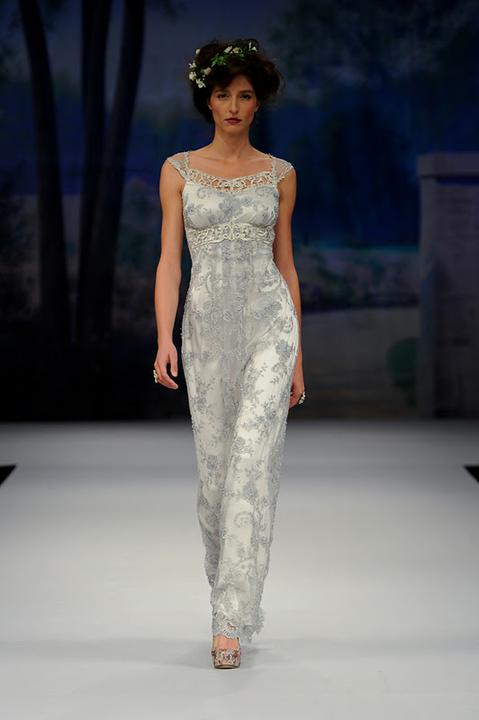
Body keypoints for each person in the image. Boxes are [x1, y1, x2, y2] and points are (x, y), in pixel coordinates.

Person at [153, 38, 305, 669]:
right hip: (206, 334)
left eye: (245, 95)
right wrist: (163, 337)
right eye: (224, 94)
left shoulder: (281, 175)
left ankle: (228, 622)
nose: (235, 105)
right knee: (216, 476)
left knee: (249, 465)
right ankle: (226, 594)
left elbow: (286, 265)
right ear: (208, 101)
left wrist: (297, 356)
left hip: (270, 328)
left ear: (258, 101)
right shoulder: (179, 171)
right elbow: (169, 262)